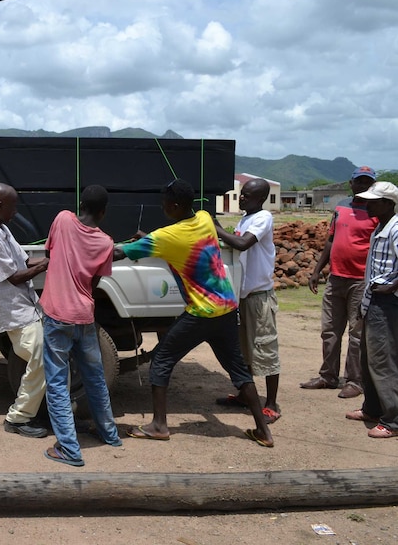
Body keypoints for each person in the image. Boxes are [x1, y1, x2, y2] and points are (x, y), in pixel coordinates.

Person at [113, 178, 274, 447]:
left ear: (174, 205)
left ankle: (159, 425)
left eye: (165, 205)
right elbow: (178, 242)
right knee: (238, 371)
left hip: (201, 313)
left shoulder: (164, 237)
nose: (162, 208)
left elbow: (120, 253)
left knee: (162, 359)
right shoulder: (204, 219)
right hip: (226, 308)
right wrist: (149, 239)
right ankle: (263, 432)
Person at [39, 184, 122, 467]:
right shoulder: (106, 243)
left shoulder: (62, 220)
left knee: (58, 384)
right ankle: (109, 434)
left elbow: (50, 257)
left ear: (80, 205)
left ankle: (69, 449)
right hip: (84, 316)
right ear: (103, 212)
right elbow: (94, 282)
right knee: (95, 378)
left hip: (57, 315)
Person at [0, 183, 50, 438]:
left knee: (43, 357)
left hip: (27, 308)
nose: (15, 211)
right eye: (13, 206)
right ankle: (18, 418)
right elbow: (14, 276)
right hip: (15, 312)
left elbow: (25, 260)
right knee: (40, 357)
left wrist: (55, 258)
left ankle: (41, 410)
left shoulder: (2, 230)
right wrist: (46, 266)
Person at [301, 166, 378, 398]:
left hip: (361, 281)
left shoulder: (378, 211)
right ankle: (328, 376)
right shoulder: (342, 207)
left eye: (367, 182)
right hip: (336, 278)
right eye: (359, 181)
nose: (363, 186)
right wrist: (317, 271)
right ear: (351, 183)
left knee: (356, 334)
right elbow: (330, 240)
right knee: (330, 331)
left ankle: (355, 381)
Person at [213, 178, 281, 424]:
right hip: (242, 296)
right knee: (244, 352)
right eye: (241, 194)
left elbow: (242, 244)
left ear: (260, 199)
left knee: (265, 349)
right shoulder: (245, 219)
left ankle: (271, 403)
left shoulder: (263, 218)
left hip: (258, 297)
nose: (242, 198)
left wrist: (216, 228)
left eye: (247, 195)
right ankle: (245, 395)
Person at [344, 181, 398, 438]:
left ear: (388, 204)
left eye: (373, 201)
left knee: (383, 361)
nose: (367, 204)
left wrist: (392, 287)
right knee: (369, 359)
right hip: (374, 301)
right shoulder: (381, 227)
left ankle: (393, 420)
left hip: (388, 303)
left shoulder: (396, 228)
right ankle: (372, 409)